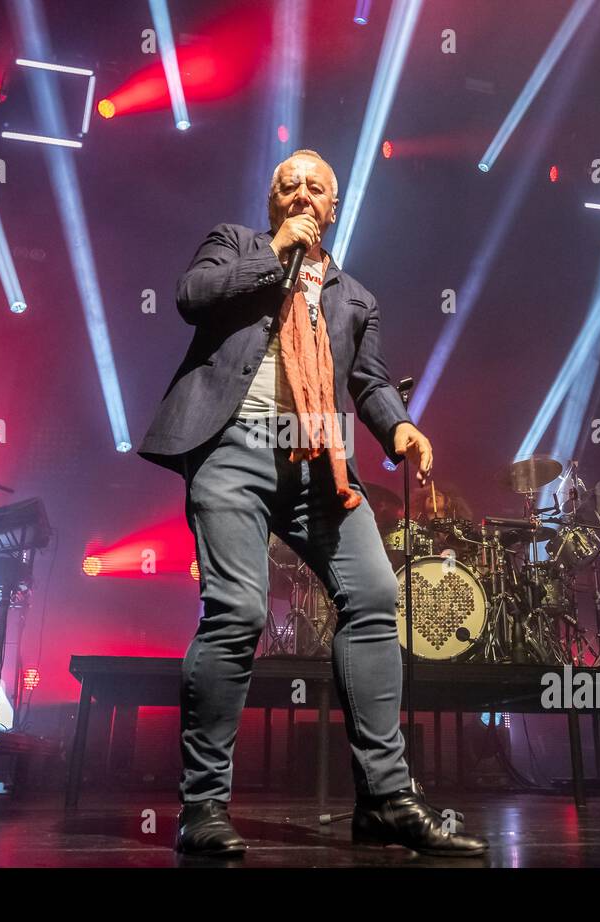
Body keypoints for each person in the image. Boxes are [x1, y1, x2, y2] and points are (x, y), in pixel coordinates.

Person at [139, 149, 486, 857]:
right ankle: (203, 806)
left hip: (319, 461)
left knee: (375, 594)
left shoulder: (356, 297)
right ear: (274, 204)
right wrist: (274, 254)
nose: (300, 193)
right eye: (287, 184)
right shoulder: (237, 246)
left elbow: (371, 380)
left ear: (334, 208)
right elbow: (191, 295)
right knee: (236, 610)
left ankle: (385, 799)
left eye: (315, 187)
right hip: (232, 446)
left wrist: (400, 427)